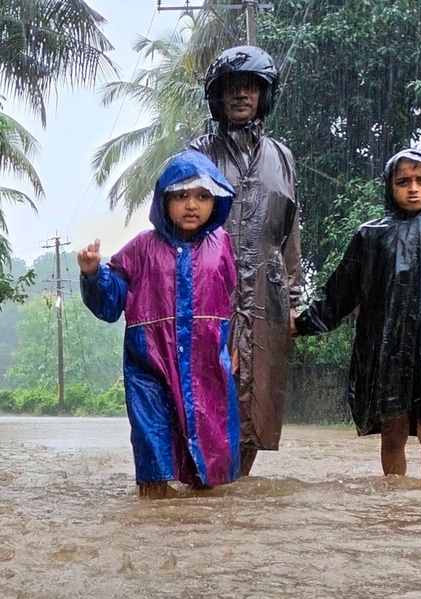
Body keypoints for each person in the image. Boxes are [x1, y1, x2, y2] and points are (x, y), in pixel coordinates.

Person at [291, 148, 421, 488]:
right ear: (389, 186)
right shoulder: (371, 236)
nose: (413, 189)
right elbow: (341, 292)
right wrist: (301, 324)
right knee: (393, 429)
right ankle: (395, 506)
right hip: (385, 348)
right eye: (403, 181)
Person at [78, 150, 241, 498]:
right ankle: (154, 524)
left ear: (216, 202)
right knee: (153, 447)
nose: (192, 205)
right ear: (164, 200)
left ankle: (203, 534)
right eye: (181, 195)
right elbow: (111, 303)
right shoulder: (140, 249)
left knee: (208, 454)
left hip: (206, 364)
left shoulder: (222, 245)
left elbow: (234, 299)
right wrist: (93, 274)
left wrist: (235, 344)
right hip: (148, 365)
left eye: (202, 196)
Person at [189, 45, 303, 478]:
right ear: (218, 98)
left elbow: (290, 232)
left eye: (250, 87)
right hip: (211, 290)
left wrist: (293, 299)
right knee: (210, 392)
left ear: (263, 95)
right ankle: (208, 486)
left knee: (257, 405)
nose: (241, 95)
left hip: (267, 294)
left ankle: (236, 490)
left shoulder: (282, 157)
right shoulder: (198, 152)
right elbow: (180, 222)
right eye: (232, 88)